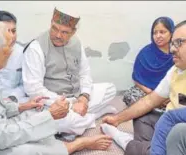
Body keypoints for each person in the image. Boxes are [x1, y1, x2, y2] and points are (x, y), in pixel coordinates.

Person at [0, 19, 112, 155]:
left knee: (36, 116)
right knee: (26, 149)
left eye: (65, 31)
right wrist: (50, 115)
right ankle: (76, 144)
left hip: (2, 125)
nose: (12, 51)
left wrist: (22, 107)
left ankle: (82, 121)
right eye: (9, 46)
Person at [101, 18, 186, 155]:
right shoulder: (180, 66)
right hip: (171, 117)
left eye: (179, 43)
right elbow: (151, 99)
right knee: (143, 116)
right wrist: (117, 119)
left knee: (179, 132)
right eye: (173, 43)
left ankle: (128, 142)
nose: (172, 49)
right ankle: (149, 147)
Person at [22, 7, 117, 135]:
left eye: (64, 32)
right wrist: (70, 104)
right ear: (51, 23)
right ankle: (95, 114)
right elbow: (33, 89)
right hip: (53, 101)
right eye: (54, 28)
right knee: (64, 122)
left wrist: (83, 98)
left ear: (73, 32)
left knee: (110, 89)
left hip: (77, 96)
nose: (58, 35)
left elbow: (84, 73)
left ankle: (80, 117)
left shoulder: (76, 43)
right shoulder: (36, 47)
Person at [123, 17, 174, 107]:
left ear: (171, 33)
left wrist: (166, 95)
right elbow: (137, 79)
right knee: (130, 96)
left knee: (185, 99)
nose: (158, 36)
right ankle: (157, 107)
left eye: (162, 32)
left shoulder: (177, 52)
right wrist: (152, 94)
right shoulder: (145, 53)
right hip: (148, 91)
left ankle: (154, 108)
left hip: (170, 92)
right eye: (155, 33)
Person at [0, 11, 28, 103]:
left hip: (15, 100)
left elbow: (26, 85)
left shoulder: (24, 53)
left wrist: (12, 97)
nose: (12, 36)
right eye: (7, 31)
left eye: (14, 31)